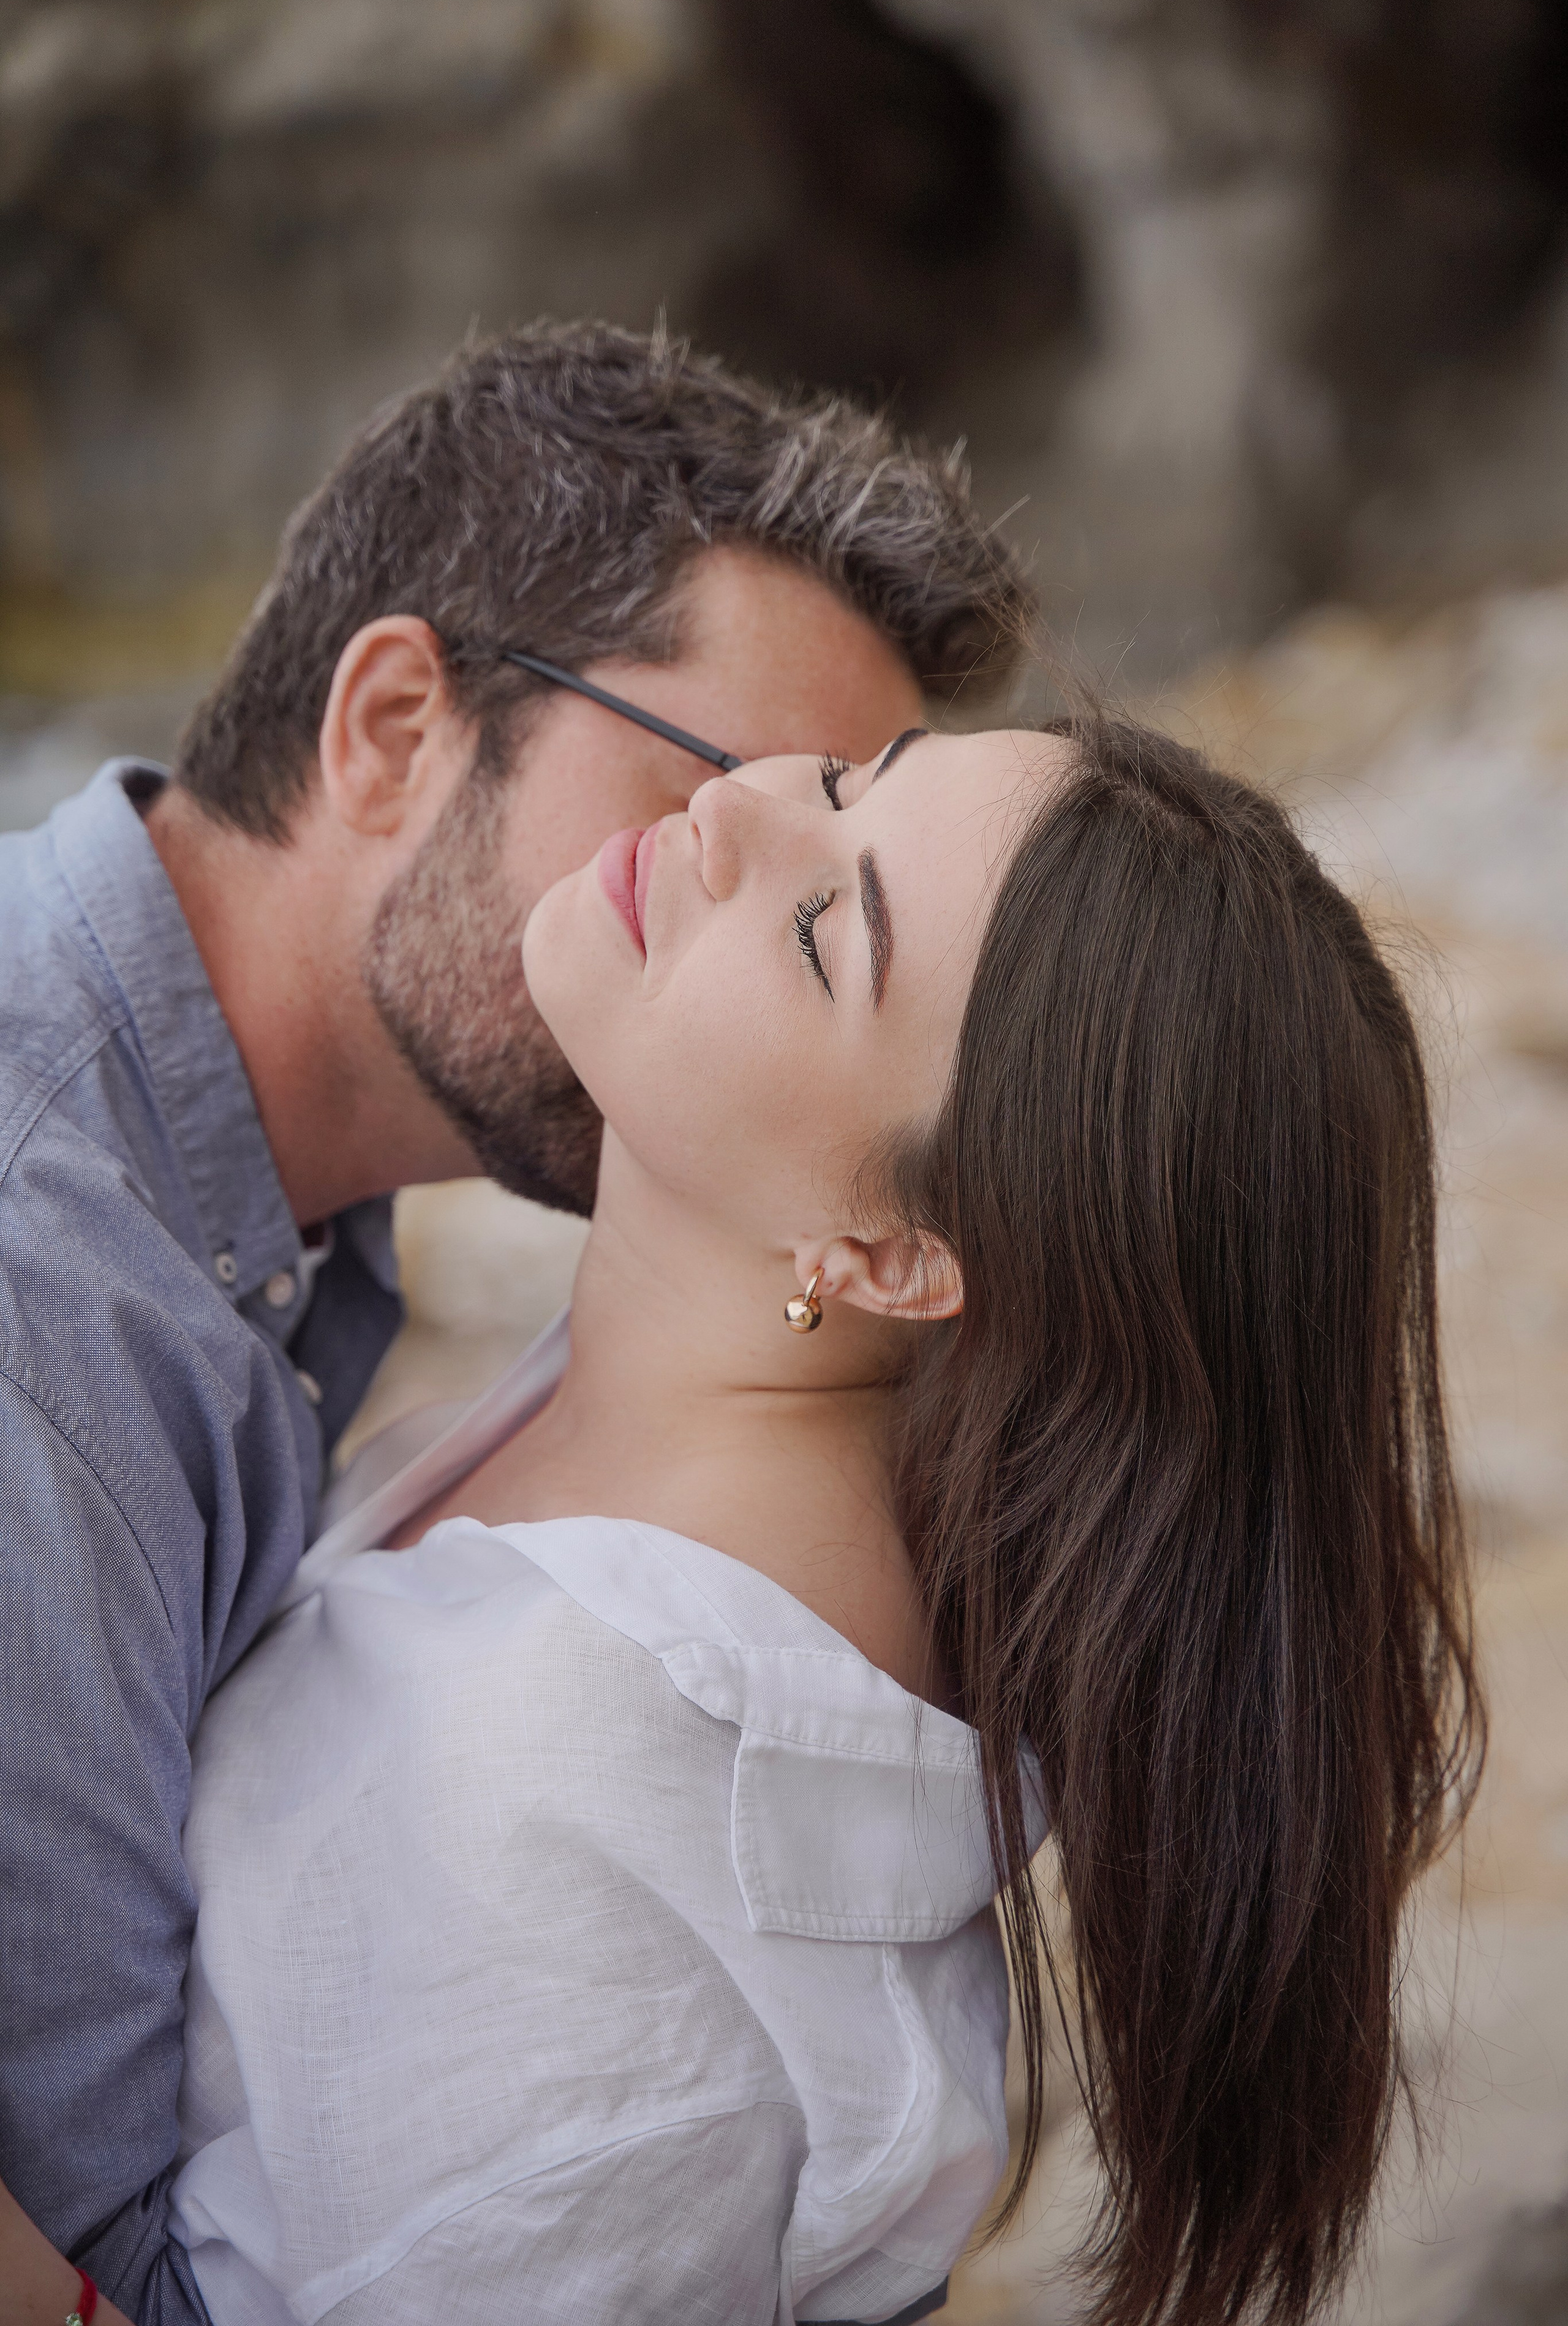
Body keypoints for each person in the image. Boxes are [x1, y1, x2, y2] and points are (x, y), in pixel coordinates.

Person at [162, 716, 1478, 2324]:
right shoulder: (672, 1437)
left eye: (821, 930)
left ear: (900, 1254)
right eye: (852, 777)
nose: (731, 808)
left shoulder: (597, 1862)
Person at [0, 320, 1030, 2325]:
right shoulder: (48, 1314)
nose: (724, 864)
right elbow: (105, 2226)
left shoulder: (263, 1218)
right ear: (391, 727)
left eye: (819, 827)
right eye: (707, 790)